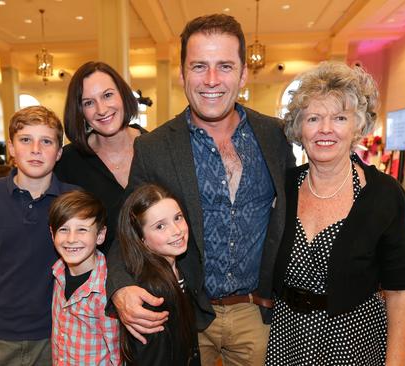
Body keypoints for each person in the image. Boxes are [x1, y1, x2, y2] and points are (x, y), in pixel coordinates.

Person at [106, 14, 294, 366]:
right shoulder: (155, 147)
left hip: (257, 314)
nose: (211, 80)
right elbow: (125, 230)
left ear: (242, 74)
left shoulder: (274, 135)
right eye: (198, 66)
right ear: (182, 73)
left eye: (224, 66)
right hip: (185, 313)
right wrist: (119, 287)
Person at [266, 61, 405, 365]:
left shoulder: (384, 195)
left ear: (357, 126)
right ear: (299, 128)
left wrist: (396, 362)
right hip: (286, 336)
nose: (325, 129)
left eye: (339, 117)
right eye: (313, 118)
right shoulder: (283, 186)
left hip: (353, 341)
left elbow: (401, 291)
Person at [0, 106, 76, 366]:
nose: (36, 149)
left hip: (55, 332)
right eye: (25, 140)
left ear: (58, 153)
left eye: (46, 141)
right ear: (11, 148)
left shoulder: (74, 199)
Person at [54, 61, 145, 254]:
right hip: (99, 280)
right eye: (88, 102)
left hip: (161, 276)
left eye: (108, 95)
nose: (101, 109)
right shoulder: (68, 162)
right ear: (80, 112)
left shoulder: (156, 147)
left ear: (123, 95)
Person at [117, 184, 199, 365]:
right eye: (160, 226)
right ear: (142, 239)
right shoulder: (153, 291)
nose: (176, 231)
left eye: (178, 218)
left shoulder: (178, 268)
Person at [48, 190, 120, 364]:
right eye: (64, 229)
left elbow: (116, 351)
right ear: (52, 234)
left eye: (82, 229)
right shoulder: (58, 272)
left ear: (100, 235)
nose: (71, 239)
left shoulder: (106, 289)